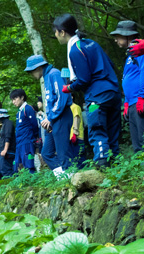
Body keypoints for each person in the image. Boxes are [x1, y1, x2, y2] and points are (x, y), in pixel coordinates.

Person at [54, 14, 121, 167]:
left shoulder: (75, 50)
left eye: (56, 32)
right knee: (113, 133)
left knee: (97, 131)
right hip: (113, 93)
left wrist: (69, 88)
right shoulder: (91, 43)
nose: (56, 35)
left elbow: (84, 79)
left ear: (62, 32)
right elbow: (109, 64)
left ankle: (102, 169)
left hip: (97, 98)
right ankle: (117, 168)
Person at [111, 21, 144, 152]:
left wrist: (141, 97)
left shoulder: (142, 48)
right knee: (139, 146)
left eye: (118, 36)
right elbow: (129, 77)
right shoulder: (130, 54)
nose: (116, 39)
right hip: (134, 103)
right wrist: (127, 103)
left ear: (127, 35)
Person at [25, 55, 76, 175]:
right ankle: (63, 177)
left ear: (37, 68)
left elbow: (61, 97)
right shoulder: (47, 77)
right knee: (46, 153)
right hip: (54, 119)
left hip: (62, 116)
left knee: (62, 151)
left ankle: (72, 178)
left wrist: (50, 117)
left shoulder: (54, 74)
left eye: (31, 71)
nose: (31, 75)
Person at [10, 89, 40, 174]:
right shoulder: (18, 112)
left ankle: (34, 184)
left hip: (27, 141)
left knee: (29, 164)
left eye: (15, 99)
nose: (13, 102)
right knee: (17, 165)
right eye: (12, 100)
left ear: (22, 97)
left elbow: (34, 125)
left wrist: (32, 138)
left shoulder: (28, 109)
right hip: (19, 142)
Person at [0, 109, 16, 180]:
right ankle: (0, 188)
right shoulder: (4, 125)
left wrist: (5, 150)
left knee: (6, 172)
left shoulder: (8, 123)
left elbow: (8, 137)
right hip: (1, 152)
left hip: (7, 152)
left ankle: (13, 188)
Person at [70, 102, 86, 168]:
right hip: (71, 137)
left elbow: (76, 118)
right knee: (75, 158)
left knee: (80, 158)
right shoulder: (68, 108)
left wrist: (75, 132)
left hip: (77, 137)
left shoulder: (75, 107)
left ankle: (84, 173)